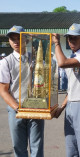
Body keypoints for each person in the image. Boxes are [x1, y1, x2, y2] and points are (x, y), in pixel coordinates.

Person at [52, 23, 80, 157]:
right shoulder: (71, 58)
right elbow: (71, 88)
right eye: (69, 38)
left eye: (75, 38)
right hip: (71, 105)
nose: (71, 41)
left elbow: (62, 63)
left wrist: (57, 44)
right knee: (71, 148)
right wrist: (62, 107)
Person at [0, 25, 44, 157]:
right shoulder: (6, 62)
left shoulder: (36, 58)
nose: (15, 42)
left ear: (27, 39)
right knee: (19, 148)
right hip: (16, 109)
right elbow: (3, 90)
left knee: (37, 147)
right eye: (12, 39)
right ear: (9, 41)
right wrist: (17, 108)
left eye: (18, 38)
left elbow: (43, 83)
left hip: (35, 107)